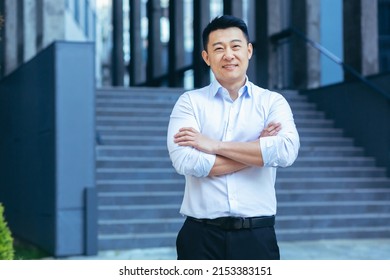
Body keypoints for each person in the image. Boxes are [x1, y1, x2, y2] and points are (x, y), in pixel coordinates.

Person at [166, 15, 300, 260]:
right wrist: (257, 151)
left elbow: (285, 152)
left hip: (257, 237)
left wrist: (213, 145)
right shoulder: (190, 103)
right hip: (200, 238)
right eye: (218, 48)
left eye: (236, 46)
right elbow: (187, 162)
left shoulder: (272, 102)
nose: (228, 55)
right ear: (206, 57)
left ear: (249, 51)